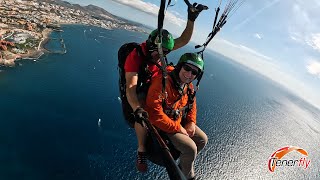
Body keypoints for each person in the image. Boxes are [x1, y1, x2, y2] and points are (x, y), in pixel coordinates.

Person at [124, 4, 207, 172]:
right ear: (151, 46)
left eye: (167, 52)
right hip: (141, 88)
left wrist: (191, 19)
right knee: (143, 114)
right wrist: (136, 108)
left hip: (158, 84)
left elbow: (183, 40)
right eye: (160, 53)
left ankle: (183, 162)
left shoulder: (162, 48)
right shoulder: (135, 57)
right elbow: (131, 87)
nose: (163, 56)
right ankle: (141, 149)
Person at [145, 53, 208, 180]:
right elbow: (154, 115)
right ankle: (187, 177)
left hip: (176, 121)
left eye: (194, 73)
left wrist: (190, 122)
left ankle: (183, 166)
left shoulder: (187, 85)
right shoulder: (162, 83)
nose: (189, 74)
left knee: (202, 139)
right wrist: (178, 128)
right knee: (190, 149)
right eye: (187, 69)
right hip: (163, 124)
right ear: (179, 66)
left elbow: (191, 104)